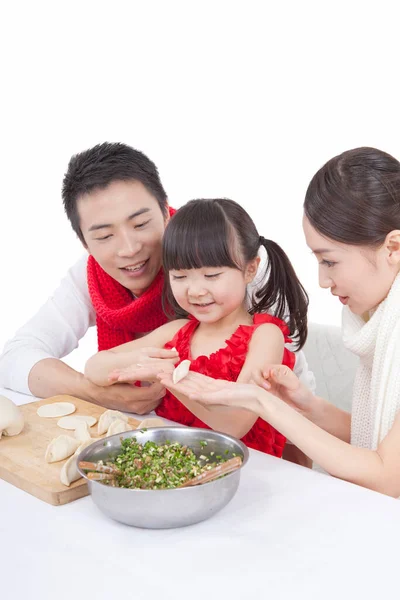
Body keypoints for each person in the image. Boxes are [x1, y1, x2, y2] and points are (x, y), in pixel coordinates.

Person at [0, 142, 314, 419]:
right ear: (85, 243)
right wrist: (94, 391)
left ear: (166, 213)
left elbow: (285, 388)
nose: (129, 248)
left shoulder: (229, 262)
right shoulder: (91, 279)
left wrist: (171, 376)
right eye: (105, 235)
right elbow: (16, 357)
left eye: (140, 224)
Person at [158, 147, 400, 496]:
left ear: (393, 248)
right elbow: (376, 439)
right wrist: (308, 406)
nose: (322, 280)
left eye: (329, 261)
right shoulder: (380, 325)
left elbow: (388, 477)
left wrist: (263, 403)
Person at [84, 198, 309, 457]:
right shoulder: (176, 332)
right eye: (179, 276)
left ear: (250, 269)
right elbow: (94, 368)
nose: (195, 290)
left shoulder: (265, 337)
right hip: (179, 471)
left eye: (211, 276)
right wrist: (141, 360)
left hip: (248, 475)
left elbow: (234, 424)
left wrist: (172, 378)